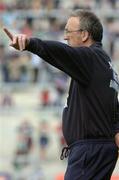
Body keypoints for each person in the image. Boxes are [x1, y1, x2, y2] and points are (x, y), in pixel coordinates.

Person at [3, 9, 119, 180]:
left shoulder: (90, 57)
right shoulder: (106, 66)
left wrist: (29, 43)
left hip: (88, 152)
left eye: (68, 31)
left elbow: (60, 52)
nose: (65, 37)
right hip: (100, 151)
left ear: (85, 34)